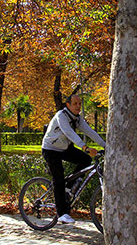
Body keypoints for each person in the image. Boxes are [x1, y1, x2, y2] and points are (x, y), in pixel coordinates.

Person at [41, 94, 106, 224]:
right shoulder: (61, 116)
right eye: (75, 103)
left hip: (65, 148)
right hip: (51, 149)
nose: (78, 106)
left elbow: (90, 132)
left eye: (79, 104)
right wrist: (84, 147)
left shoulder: (78, 119)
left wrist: (106, 146)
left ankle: (68, 187)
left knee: (86, 160)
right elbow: (69, 133)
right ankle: (62, 214)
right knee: (58, 180)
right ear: (68, 105)